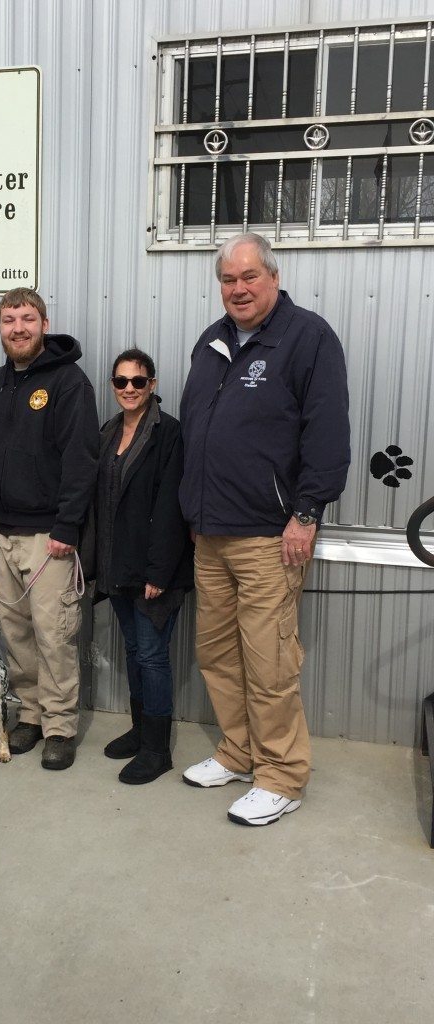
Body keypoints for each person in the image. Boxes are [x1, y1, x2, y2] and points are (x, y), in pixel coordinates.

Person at [179, 232, 350, 826]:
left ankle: (281, 775)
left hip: (269, 536)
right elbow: (198, 429)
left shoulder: (307, 339)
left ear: (273, 278)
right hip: (211, 532)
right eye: (228, 280)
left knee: (270, 661)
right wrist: (192, 512)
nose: (239, 288)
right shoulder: (212, 341)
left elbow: (327, 436)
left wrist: (306, 516)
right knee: (218, 654)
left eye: (249, 276)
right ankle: (239, 750)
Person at [0, 288, 99, 771]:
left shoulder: (68, 383)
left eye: (26, 318)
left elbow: (81, 462)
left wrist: (67, 524)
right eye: (8, 320)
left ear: (44, 322)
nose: (17, 328)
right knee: (16, 634)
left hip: (49, 537)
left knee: (54, 635)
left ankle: (61, 726)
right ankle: (32, 715)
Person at [95, 349, 194, 785]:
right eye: (121, 381)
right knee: (134, 651)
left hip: (156, 570)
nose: (129, 389)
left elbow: (171, 506)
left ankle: (157, 750)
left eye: (138, 381)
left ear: (152, 384)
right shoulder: (108, 431)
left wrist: (158, 572)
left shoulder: (168, 432)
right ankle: (139, 732)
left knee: (153, 657)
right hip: (118, 565)